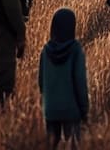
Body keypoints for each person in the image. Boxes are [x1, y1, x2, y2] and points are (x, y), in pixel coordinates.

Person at [39, 8, 89, 146]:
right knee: (74, 144)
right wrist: (84, 110)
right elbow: (80, 82)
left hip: (50, 110)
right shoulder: (75, 50)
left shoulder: (45, 51)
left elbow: (41, 82)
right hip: (71, 110)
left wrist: (46, 104)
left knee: (51, 144)